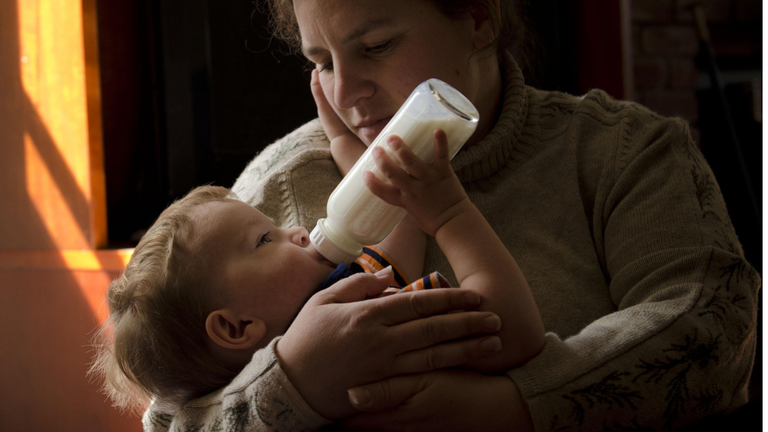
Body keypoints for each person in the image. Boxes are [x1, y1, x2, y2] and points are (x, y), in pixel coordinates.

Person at [141, 0, 760, 430]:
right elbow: (168, 418)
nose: (347, 92)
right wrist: (295, 381)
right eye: (323, 62)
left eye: (376, 46)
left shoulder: (625, 154)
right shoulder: (276, 185)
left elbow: (710, 337)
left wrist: (508, 409)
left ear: (479, 19)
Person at [92, 131, 546, 423]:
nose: (295, 230)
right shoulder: (354, 340)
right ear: (236, 327)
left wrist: (357, 145)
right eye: (264, 241)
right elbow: (511, 331)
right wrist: (450, 214)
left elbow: (394, 232)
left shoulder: (334, 295)